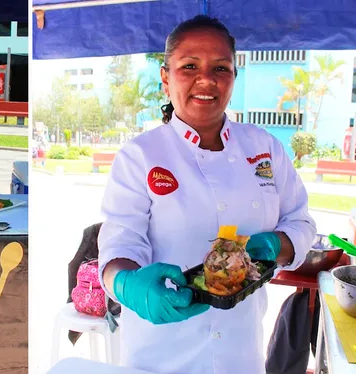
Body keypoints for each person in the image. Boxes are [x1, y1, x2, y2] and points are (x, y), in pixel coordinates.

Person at [97, 15, 317, 374]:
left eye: (221, 67)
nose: (206, 79)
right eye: (189, 66)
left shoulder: (264, 147)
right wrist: (127, 284)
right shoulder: (140, 156)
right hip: (158, 354)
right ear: (166, 79)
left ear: (233, 76)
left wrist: (279, 244)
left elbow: (301, 221)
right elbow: (119, 244)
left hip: (241, 353)